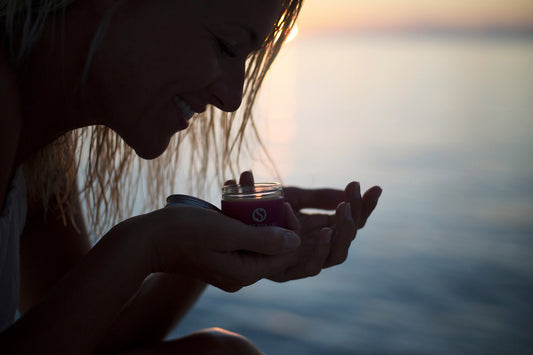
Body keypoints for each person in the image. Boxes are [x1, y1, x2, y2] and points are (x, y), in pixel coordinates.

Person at [0, 0, 383, 353]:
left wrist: (224, 244)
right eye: (227, 46)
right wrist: (149, 243)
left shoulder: (41, 164)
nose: (233, 99)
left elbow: (94, 341)